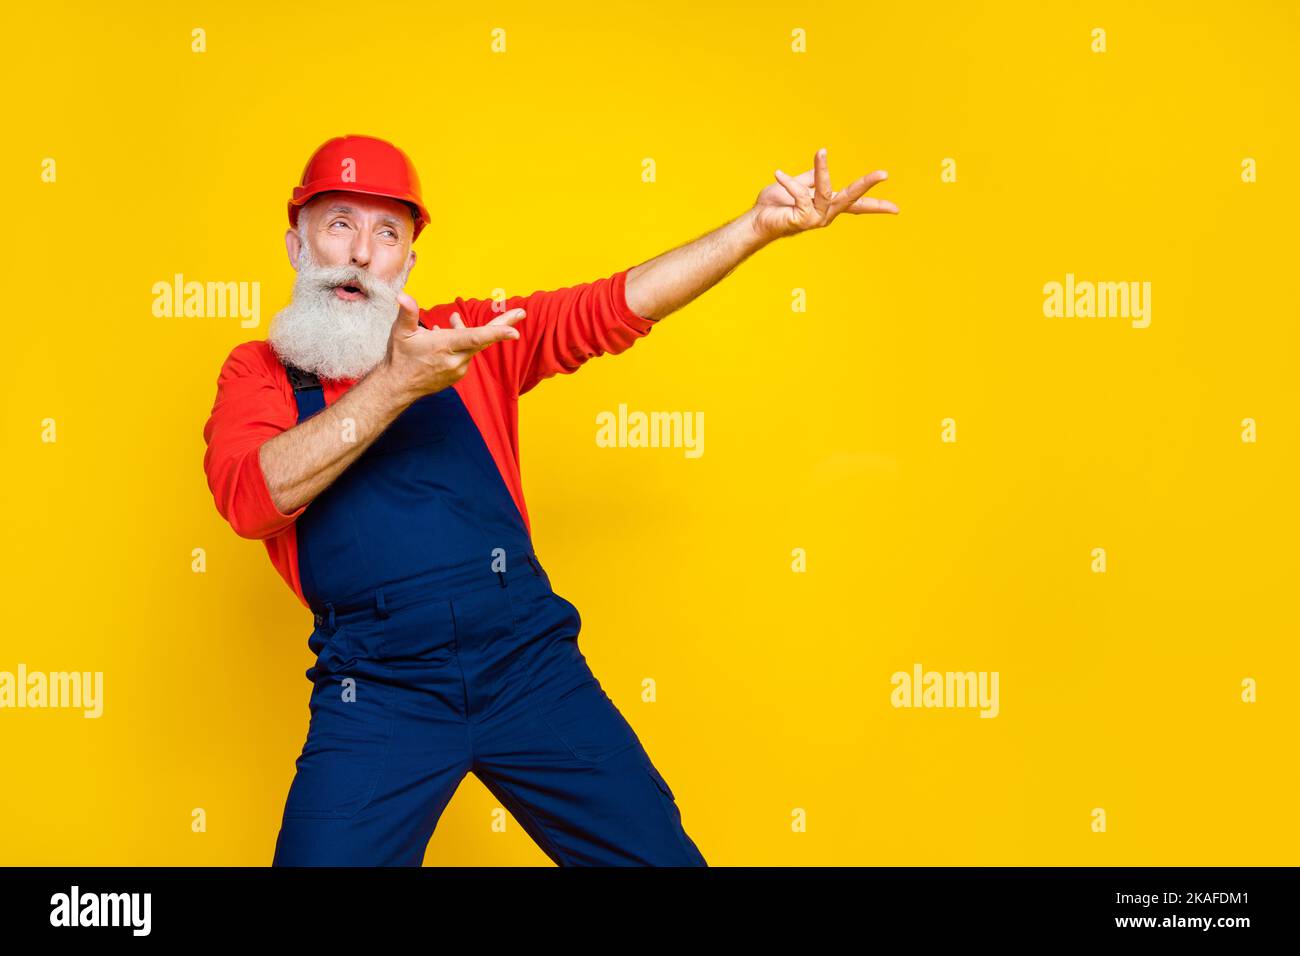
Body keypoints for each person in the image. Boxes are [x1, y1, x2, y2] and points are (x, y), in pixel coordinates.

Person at [202, 133, 897, 866]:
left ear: (408, 260)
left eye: (387, 232)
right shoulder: (261, 375)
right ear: (297, 245)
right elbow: (253, 500)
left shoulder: (467, 341)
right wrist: (394, 386)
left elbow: (608, 307)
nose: (360, 252)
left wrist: (752, 230)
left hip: (526, 666)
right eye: (339, 223)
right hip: (376, 690)